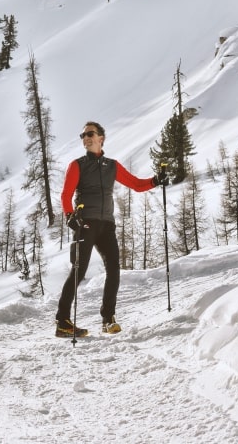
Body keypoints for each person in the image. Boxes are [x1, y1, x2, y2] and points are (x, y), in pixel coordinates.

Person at [55, 120, 165, 338]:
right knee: (78, 270)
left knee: (114, 269)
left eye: (90, 134)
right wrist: (70, 216)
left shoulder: (111, 166)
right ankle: (63, 321)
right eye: (83, 135)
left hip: (106, 225)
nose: (85, 138)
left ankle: (108, 319)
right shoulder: (77, 165)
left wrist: (155, 180)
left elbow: (136, 184)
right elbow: (65, 195)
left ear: (100, 138)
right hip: (85, 223)